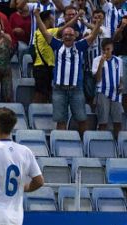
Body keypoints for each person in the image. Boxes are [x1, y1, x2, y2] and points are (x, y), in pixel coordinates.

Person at [35, 7, 102, 135]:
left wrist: (98, 23)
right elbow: (44, 31)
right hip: (59, 89)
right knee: (61, 120)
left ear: (75, 36)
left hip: (76, 89)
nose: (68, 37)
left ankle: (84, 146)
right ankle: (62, 147)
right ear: (62, 36)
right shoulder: (57, 45)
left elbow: (93, 35)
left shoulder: (80, 46)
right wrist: (37, 16)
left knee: (82, 119)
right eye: (65, 34)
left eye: (71, 35)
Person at [93, 38, 123, 137]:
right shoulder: (96, 60)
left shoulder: (119, 61)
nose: (106, 52)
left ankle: (117, 146)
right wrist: (101, 64)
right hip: (102, 92)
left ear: (112, 48)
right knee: (103, 122)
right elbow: (97, 79)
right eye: (104, 49)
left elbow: (120, 77)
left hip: (116, 94)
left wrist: (121, 85)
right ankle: (102, 145)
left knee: (118, 122)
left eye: (108, 49)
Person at [84, 9, 110, 106]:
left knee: (100, 96)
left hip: (102, 69)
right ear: (92, 18)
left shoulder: (106, 30)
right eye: (95, 17)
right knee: (90, 96)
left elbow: (98, 30)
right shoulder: (86, 30)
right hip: (89, 69)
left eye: (100, 17)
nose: (97, 19)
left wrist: (84, 22)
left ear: (103, 19)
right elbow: (86, 38)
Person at [113, 15, 127, 111]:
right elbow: (116, 38)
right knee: (124, 90)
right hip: (124, 57)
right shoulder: (124, 19)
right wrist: (122, 26)